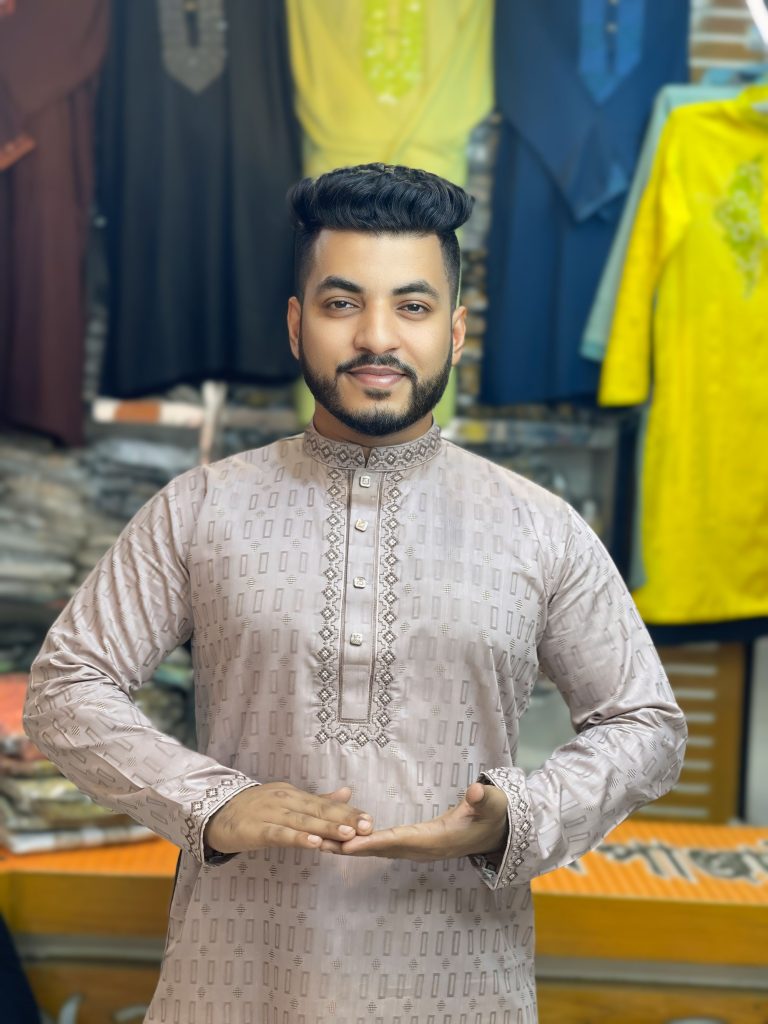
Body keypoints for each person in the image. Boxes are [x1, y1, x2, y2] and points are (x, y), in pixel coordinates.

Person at [24, 163, 687, 1024]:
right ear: (296, 324)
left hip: (457, 990)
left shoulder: (539, 527)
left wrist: (518, 816)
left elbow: (646, 724)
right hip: (234, 986)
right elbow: (66, 686)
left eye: (412, 306)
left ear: (455, 331)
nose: (377, 336)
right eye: (342, 304)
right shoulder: (201, 507)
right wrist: (212, 801)